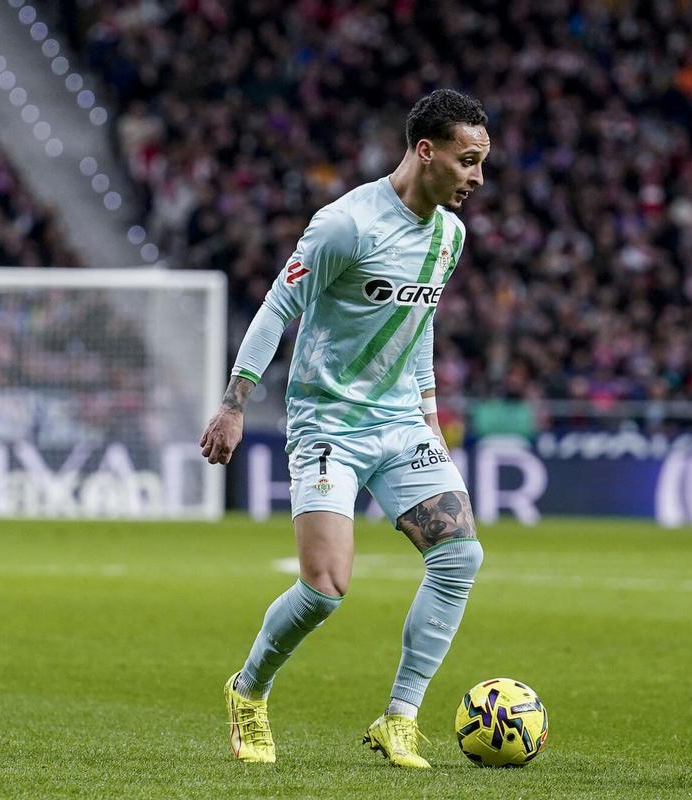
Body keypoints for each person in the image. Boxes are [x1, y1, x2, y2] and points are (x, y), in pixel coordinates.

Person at [199, 89, 489, 768]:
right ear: (426, 151)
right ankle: (248, 690)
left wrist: (427, 416)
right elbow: (277, 308)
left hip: (400, 424)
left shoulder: (450, 234)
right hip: (329, 421)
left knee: (459, 556)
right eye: (468, 160)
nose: (478, 177)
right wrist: (234, 403)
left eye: (482, 163)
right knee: (326, 589)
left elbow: (419, 327)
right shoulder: (346, 225)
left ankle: (400, 717)